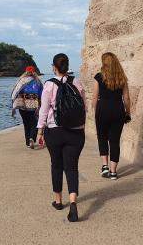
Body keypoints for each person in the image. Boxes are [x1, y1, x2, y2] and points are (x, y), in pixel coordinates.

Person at [37, 53, 86, 222]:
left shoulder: (49, 85)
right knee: (72, 167)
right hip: (76, 132)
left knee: (56, 165)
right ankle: (73, 201)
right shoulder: (77, 82)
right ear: (67, 66)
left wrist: (40, 132)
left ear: (54, 67)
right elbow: (84, 107)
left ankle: (58, 201)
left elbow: (43, 110)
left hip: (54, 131)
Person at [91, 52, 131, 180]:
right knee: (114, 141)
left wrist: (95, 111)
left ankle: (104, 166)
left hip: (102, 110)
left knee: (102, 138)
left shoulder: (99, 77)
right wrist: (128, 112)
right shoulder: (122, 78)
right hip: (118, 110)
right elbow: (127, 98)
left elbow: (94, 97)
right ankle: (113, 172)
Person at [11, 65, 43, 149]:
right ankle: (32, 138)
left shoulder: (21, 81)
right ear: (34, 72)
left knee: (26, 124)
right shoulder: (38, 81)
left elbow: (15, 92)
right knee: (34, 123)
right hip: (34, 106)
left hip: (23, 106)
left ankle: (28, 143)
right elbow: (41, 94)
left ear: (25, 72)